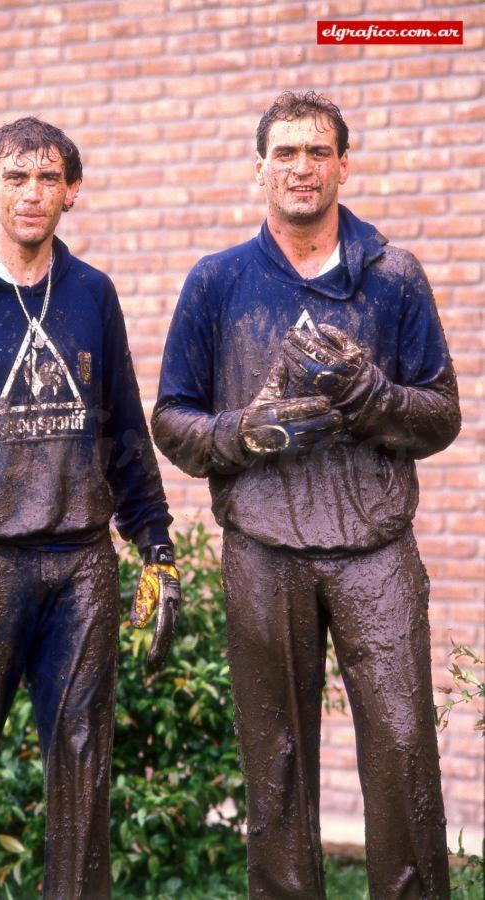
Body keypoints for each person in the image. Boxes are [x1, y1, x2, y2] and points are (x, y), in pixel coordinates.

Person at [152, 90, 460, 899]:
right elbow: (172, 418)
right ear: (260, 170)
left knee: (401, 751)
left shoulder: (393, 276)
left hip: (375, 550)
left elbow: (441, 415)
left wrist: (371, 396)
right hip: (263, 548)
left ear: (343, 165)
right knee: (276, 759)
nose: (301, 167)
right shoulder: (217, 282)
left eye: (317, 152)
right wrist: (246, 434)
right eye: (284, 153)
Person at [0, 117, 180, 900]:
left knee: (83, 767)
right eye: (15, 177)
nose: (31, 193)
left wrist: (157, 547)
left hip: (81, 566)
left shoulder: (90, 294)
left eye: (48, 178)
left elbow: (123, 431)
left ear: (72, 193)